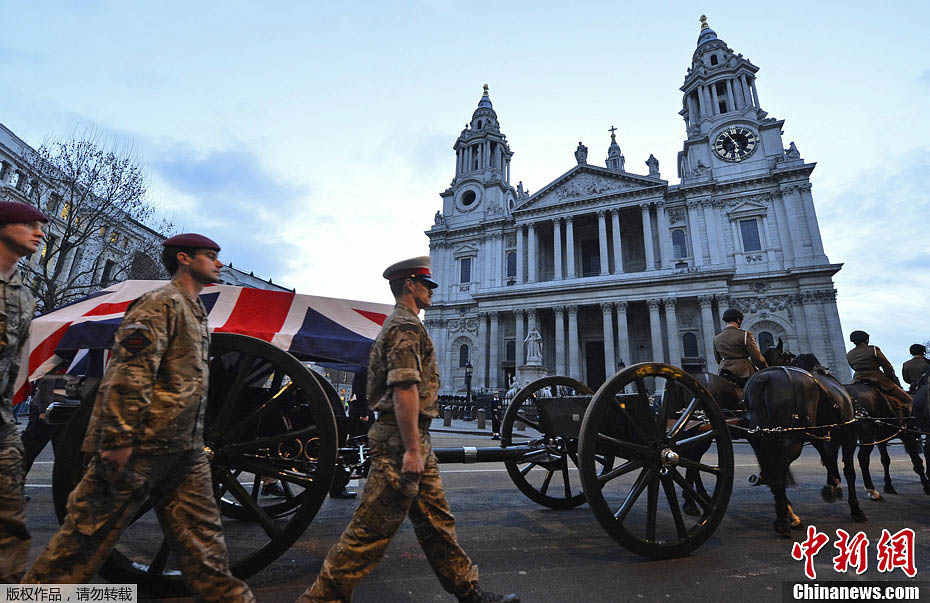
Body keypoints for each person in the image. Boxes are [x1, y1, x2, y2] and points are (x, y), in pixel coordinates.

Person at [23, 233, 255, 602]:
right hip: (142, 446)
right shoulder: (158, 305)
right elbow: (130, 374)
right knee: (80, 542)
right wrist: (118, 440)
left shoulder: (194, 309)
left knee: (206, 548)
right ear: (184, 258)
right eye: (210, 256)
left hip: (184, 448)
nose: (219, 263)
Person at [298, 256, 518, 603]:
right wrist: (413, 450)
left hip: (412, 440)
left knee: (437, 523)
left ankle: (469, 592)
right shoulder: (405, 327)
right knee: (368, 532)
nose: (432, 290)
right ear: (410, 286)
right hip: (400, 443)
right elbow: (404, 391)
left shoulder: (407, 324)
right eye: (426, 285)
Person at [0, 202, 47, 583]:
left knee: (11, 523)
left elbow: (15, 362)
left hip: (1, 427)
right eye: (29, 225)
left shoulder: (24, 298)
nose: (40, 232)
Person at [846, 330, 911, 414]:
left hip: (857, 379)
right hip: (877, 378)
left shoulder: (849, 354)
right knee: (908, 400)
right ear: (866, 340)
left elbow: (853, 366)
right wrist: (890, 378)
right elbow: (887, 366)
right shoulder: (873, 349)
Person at [712, 308, 767, 385]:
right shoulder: (744, 335)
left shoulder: (716, 338)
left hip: (724, 372)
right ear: (739, 320)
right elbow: (756, 357)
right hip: (744, 372)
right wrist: (765, 368)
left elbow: (718, 359)